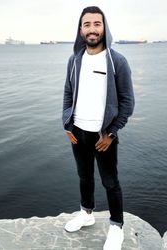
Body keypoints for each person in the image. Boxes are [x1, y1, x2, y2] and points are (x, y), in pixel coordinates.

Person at [62, 6, 135, 250]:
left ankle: (116, 226)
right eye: (87, 24)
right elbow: (68, 93)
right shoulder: (74, 60)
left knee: (110, 182)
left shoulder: (117, 61)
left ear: (104, 27)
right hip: (78, 131)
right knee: (84, 176)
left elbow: (127, 102)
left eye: (97, 23)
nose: (92, 29)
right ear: (80, 29)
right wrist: (66, 123)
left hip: (103, 135)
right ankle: (87, 213)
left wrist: (112, 133)